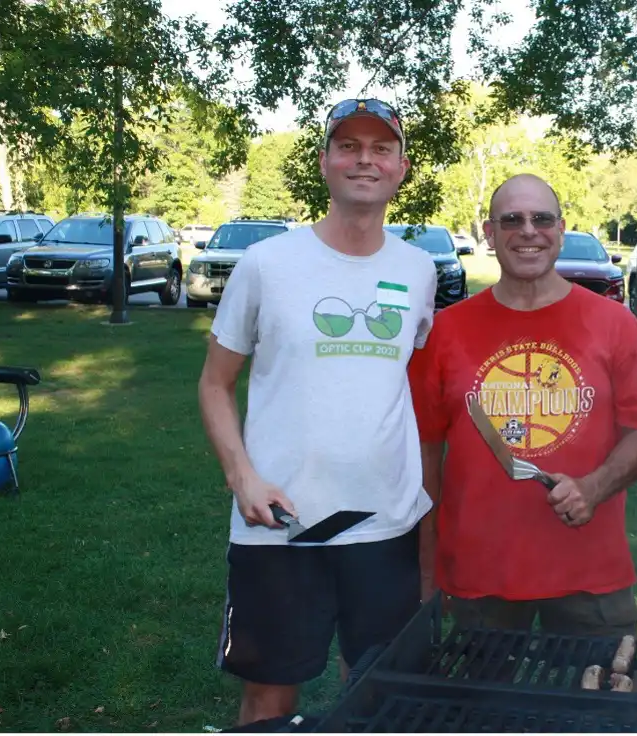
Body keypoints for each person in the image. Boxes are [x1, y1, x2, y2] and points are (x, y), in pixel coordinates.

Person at [198, 98, 438, 727]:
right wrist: (242, 476)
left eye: (381, 148)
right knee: (269, 699)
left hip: (384, 523)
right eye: (349, 147)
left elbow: (399, 382)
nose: (365, 160)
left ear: (402, 167)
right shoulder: (266, 264)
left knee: (376, 692)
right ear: (326, 163)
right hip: (280, 522)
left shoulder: (419, 271)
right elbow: (215, 384)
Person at [408, 173, 637, 638]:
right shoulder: (447, 332)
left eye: (541, 219)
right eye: (512, 220)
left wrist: (594, 487)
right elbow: (424, 456)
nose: (528, 231)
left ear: (561, 229)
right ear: (489, 233)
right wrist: (428, 570)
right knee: (483, 710)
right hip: (481, 574)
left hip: (590, 572)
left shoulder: (613, 325)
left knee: (597, 707)